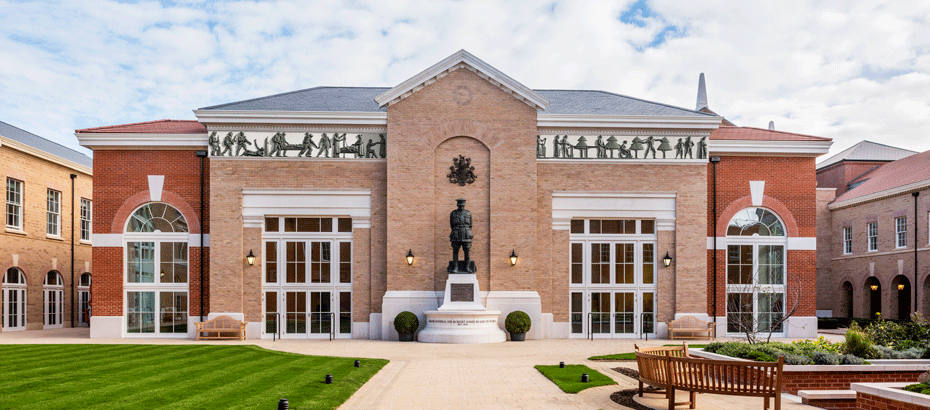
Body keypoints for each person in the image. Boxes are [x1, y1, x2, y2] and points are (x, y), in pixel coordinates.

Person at [449, 199, 474, 272]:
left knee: (467, 251)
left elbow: (470, 225)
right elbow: (452, 225)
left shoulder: (468, 213)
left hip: (466, 234)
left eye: (462, 205)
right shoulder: (453, 213)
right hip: (456, 234)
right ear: (457, 205)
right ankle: (455, 267)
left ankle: (467, 267)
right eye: (460, 205)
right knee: (455, 251)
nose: (461, 207)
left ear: (464, 205)